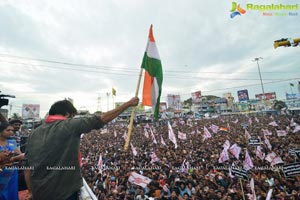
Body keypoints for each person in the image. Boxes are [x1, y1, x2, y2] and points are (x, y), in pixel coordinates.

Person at [25, 97, 139, 200]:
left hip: (39, 193)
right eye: (73, 116)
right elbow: (101, 119)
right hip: (64, 194)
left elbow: (27, 167)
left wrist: (31, 192)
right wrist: (128, 104)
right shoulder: (69, 125)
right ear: (67, 114)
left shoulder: (33, 134)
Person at [0, 122, 25, 200]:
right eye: (8, 130)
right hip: (1, 171)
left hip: (12, 172)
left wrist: (20, 156)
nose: (11, 132)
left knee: (12, 191)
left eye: (12, 130)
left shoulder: (13, 142)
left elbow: (19, 153)